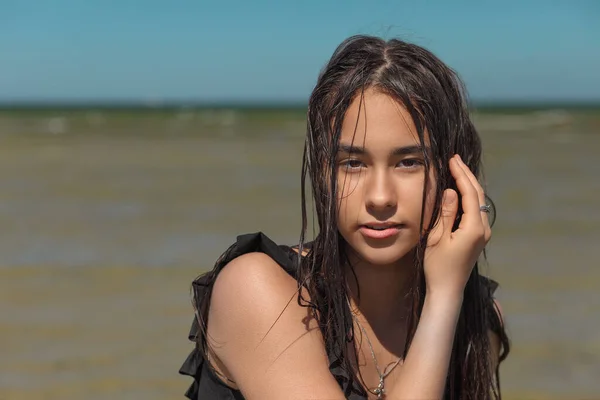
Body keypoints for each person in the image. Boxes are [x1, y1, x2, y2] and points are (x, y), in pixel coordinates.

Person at [180, 35, 510, 400]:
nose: (380, 197)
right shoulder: (258, 292)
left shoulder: (477, 324)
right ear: (322, 173)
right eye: (352, 163)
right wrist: (445, 297)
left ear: (454, 175)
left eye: (409, 162)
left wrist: (446, 301)